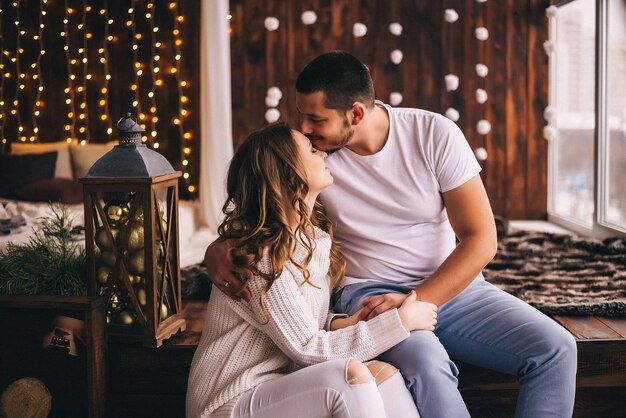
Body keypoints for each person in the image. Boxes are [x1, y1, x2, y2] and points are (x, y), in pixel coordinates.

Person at [204, 51, 578, 418]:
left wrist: (413, 302)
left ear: (356, 113)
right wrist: (217, 248)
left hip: (454, 288)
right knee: (427, 365)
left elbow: (481, 238)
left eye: (314, 118)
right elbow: (262, 208)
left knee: (556, 348)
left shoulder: (434, 134)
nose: (304, 127)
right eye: (302, 115)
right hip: (367, 292)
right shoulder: (313, 156)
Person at [186, 122, 437, 418]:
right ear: (287, 171)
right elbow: (307, 349)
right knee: (348, 378)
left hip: (280, 389)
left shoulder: (313, 240)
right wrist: (401, 321)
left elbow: (300, 322)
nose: (323, 153)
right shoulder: (256, 255)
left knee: (386, 375)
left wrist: (349, 321)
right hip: (229, 403)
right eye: (310, 149)